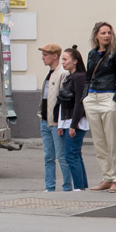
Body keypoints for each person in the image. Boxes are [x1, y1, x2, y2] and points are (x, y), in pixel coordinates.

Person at [83, 21, 116, 192]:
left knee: (112, 141)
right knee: (99, 141)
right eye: (103, 33)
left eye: (109, 33)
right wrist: (85, 97)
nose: (107, 36)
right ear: (96, 36)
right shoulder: (92, 54)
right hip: (92, 98)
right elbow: (87, 77)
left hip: (108, 97)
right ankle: (106, 176)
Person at [56, 46, 90, 193]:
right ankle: (81, 185)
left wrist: (73, 125)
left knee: (71, 154)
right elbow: (64, 103)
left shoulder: (79, 77)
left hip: (75, 122)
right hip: (67, 121)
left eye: (65, 59)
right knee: (75, 154)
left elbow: (79, 102)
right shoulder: (70, 77)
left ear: (75, 61)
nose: (62, 62)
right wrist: (60, 124)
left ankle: (78, 187)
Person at [37, 43, 68, 192]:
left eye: (45, 55)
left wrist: (61, 122)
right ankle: (49, 187)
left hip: (56, 122)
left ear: (54, 56)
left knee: (61, 156)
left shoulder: (62, 73)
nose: (42, 58)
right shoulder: (50, 73)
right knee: (48, 157)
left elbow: (63, 100)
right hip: (45, 120)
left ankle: (67, 186)